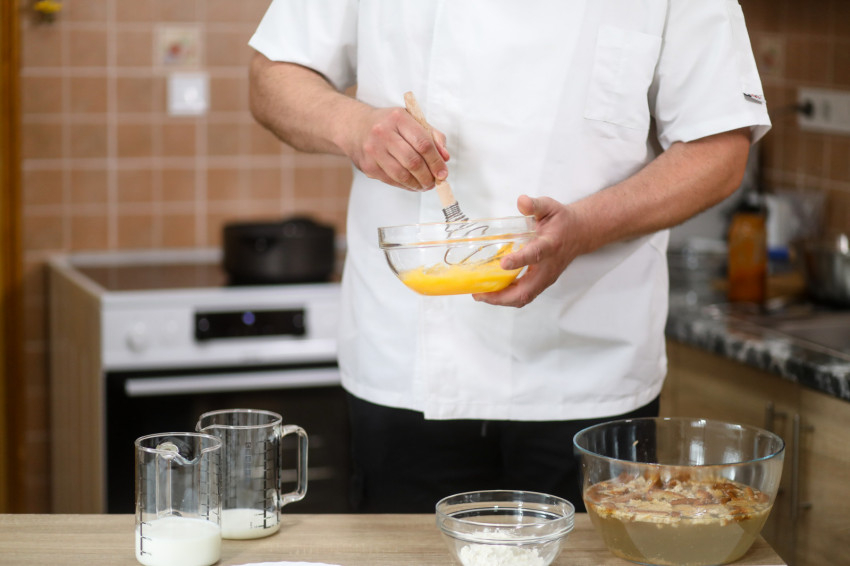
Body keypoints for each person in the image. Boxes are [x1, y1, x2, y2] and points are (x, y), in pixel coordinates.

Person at [248, 1, 771, 512]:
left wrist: (586, 227)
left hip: (593, 371)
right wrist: (353, 125)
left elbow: (720, 151)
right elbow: (271, 78)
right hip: (407, 364)